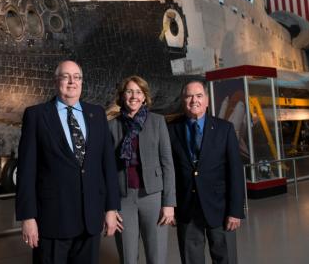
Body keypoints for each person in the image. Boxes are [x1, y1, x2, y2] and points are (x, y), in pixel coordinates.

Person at [16, 60, 121, 264]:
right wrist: (27, 218)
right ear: (56, 81)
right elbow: (26, 171)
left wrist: (111, 209)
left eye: (77, 77)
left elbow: (107, 166)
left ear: (82, 82)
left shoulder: (97, 114)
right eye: (66, 76)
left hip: (90, 220)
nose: (72, 82)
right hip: (53, 221)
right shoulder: (36, 115)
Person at [167, 80, 245, 264]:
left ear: (207, 101)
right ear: (183, 100)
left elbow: (235, 172)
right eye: (189, 96)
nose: (194, 100)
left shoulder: (224, 129)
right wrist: (169, 205)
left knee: (225, 258)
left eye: (199, 96)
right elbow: (168, 170)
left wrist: (235, 211)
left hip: (220, 209)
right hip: (187, 209)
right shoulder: (171, 130)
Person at [109, 75, 176, 264]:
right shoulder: (111, 126)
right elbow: (107, 170)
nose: (134, 96)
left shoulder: (157, 122)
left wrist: (169, 203)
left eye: (138, 92)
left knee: (156, 257)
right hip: (123, 199)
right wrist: (110, 207)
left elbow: (167, 164)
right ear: (122, 96)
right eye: (129, 91)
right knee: (128, 258)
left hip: (153, 196)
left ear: (145, 97)